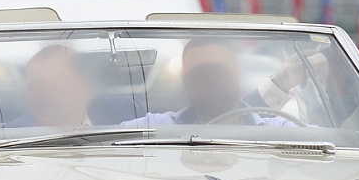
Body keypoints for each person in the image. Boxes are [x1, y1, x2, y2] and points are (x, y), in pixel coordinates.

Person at [122, 38, 308, 127]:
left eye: (217, 72)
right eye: (199, 74)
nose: (210, 82)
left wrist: (318, 94)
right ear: (184, 80)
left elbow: (329, 143)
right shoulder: (156, 127)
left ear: (237, 73)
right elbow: (99, 141)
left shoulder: (278, 131)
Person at [12, 45, 94, 128]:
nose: (40, 96)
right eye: (33, 88)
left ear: (82, 87)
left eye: (51, 87)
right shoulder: (12, 135)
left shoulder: (105, 120)